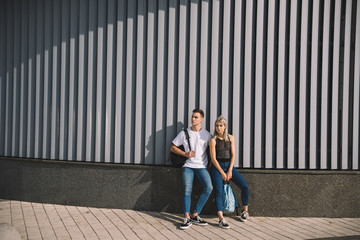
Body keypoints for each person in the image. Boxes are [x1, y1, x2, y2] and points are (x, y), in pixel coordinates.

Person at [170, 109, 213, 230]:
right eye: (192, 117)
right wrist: (185, 154)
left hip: (201, 167)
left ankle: (195, 214)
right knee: (187, 190)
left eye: (196, 117)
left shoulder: (207, 135)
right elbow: (172, 147)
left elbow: (212, 151)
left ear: (201, 119)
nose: (193, 119)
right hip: (188, 166)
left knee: (209, 187)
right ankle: (186, 217)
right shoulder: (184, 133)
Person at [209, 115, 249, 229]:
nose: (218, 128)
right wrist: (222, 172)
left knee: (244, 186)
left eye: (220, 125)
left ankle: (245, 211)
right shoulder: (213, 140)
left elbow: (233, 155)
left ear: (225, 126)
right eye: (217, 125)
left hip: (229, 166)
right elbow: (213, 159)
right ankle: (221, 218)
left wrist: (230, 170)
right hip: (218, 167)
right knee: (218, 191)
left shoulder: (231, 138)